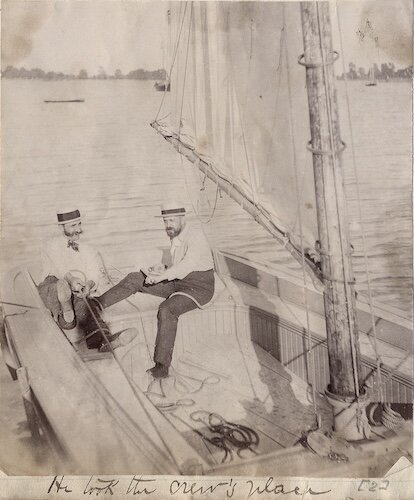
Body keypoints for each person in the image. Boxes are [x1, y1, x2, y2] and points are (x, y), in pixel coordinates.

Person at [96, 202, 215, 378]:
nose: (168, 225)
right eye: (165, 220)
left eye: (172, 220)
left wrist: (161, 277)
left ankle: (161, 366)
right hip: (178, 280)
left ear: (183, 218)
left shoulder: (196, 236)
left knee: (167, 309)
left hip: (198, 287)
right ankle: (95, 304)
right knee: (135, 278)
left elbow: (188, 264)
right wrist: (162, 268)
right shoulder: (178, 233)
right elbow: (178, 265)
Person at [38, 208, 129, 352]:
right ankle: (66, 312)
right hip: (53, 286)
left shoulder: (88, 250)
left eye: (79, 224)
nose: (79, 229)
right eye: (73, 226)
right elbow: (59, 268)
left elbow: (93, 273)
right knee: (57, 287)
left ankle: (103, 340)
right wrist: (71, 279)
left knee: (85, 303)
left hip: (76, 293)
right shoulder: (50, 245)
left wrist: (89, 284)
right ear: (61, 227)